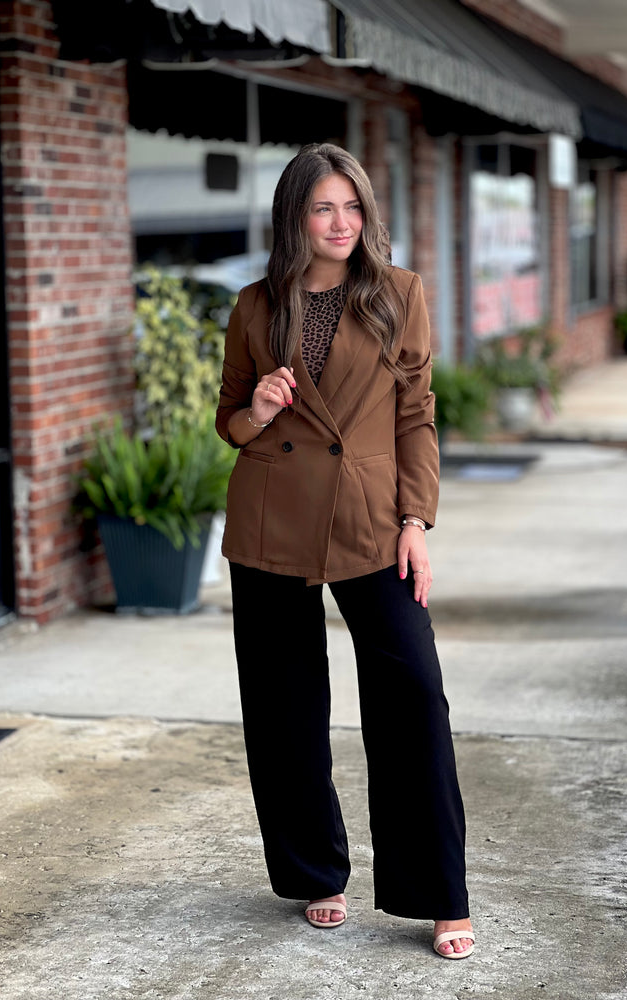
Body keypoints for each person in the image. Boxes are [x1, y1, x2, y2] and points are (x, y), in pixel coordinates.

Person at [215, 142, 474, 960]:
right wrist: (257, 406)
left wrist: (415, 521)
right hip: (271, 518)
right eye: (323, 207)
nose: (341, 223)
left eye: (353, 206)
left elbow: (415, 416)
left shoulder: (398, 294)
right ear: (295, 216)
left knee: (413, 698)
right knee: (285, 707)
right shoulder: (256, 306)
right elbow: (229, 421)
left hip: (371, 517)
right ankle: (314, 872)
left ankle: (437, 893)